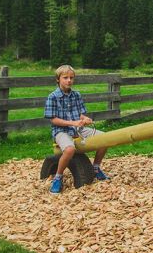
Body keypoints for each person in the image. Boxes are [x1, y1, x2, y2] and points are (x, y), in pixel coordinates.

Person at [44, 64, 109, 194]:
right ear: (58, 79)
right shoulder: (53, 97)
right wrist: (72, 122)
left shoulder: (76, 95)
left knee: (105, 139)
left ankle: (95, 168)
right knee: (69, 149)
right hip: (60, 131)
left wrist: (85, 119)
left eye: (71, 78)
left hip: (78, 128)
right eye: (65, 77)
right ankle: (58, 177)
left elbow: (80, 114)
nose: (69, 80)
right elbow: (53, 119)